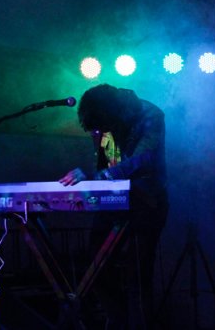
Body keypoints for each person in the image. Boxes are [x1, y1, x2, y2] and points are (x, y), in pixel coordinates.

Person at [60, 84, 167, 330]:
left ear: (112, 113)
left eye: (102, 127)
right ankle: (119, 321)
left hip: (147, 203)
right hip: (113, 202)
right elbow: (105, 163)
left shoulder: (150, 115)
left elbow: (141, 160)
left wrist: (97, 177)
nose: (100, 132)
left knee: (137, 275)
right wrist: (90, 177)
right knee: (95, 269)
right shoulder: (105, 122)